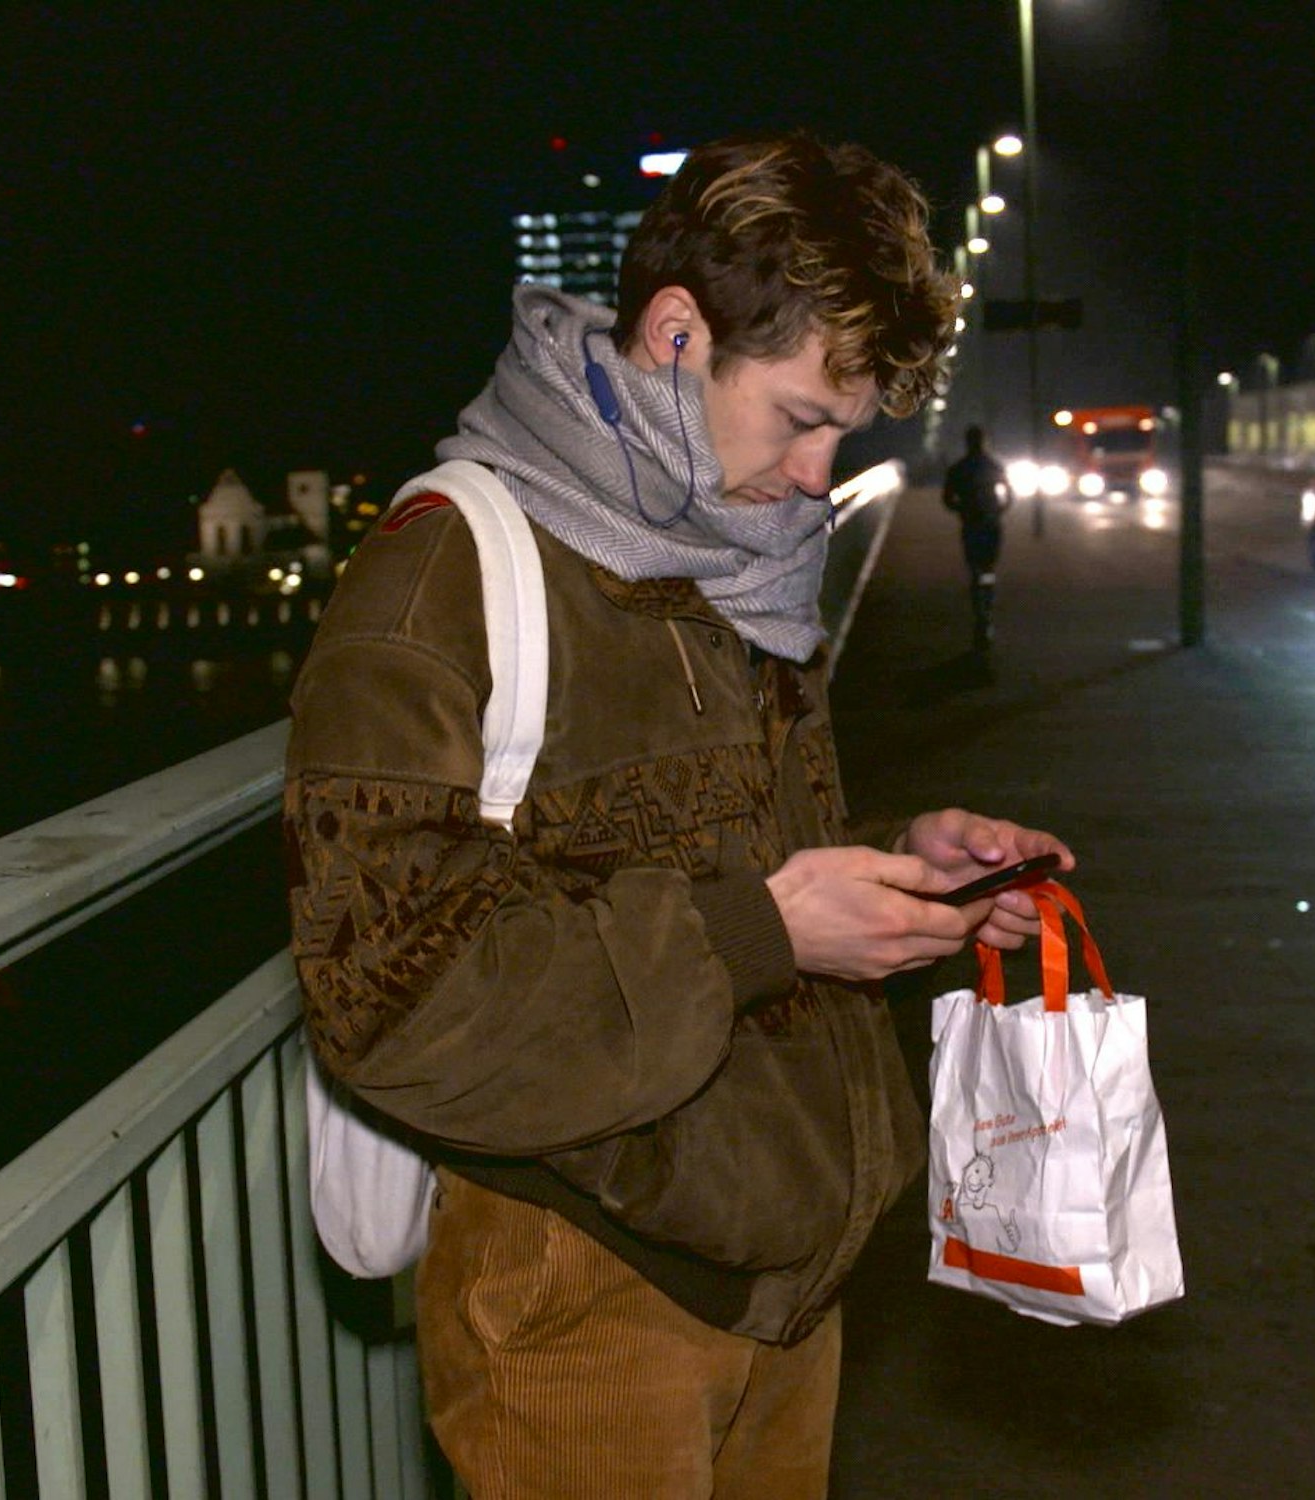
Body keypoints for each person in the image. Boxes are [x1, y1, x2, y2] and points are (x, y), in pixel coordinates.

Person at [285, 131, 1075, 1498]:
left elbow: (720, 861)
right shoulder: (440, 581)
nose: (820, 475)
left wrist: (901, 872)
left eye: (848, 431)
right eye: (800, 416)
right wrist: (760, 936)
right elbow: (389, 997)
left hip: (784, 1267)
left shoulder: (737, 551)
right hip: (582, 1283)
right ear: (673, 337)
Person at [942, 424, 1011, 648]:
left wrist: (963, 510)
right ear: (985, 441)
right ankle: (986, 610)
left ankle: (980, 611)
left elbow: (948, 500)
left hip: (971, 525)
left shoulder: (958, 468)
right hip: (991, 525)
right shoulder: (994, 465)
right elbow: (1009, 496)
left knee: (975, 569)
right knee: (989, 569)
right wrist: (997, 510)